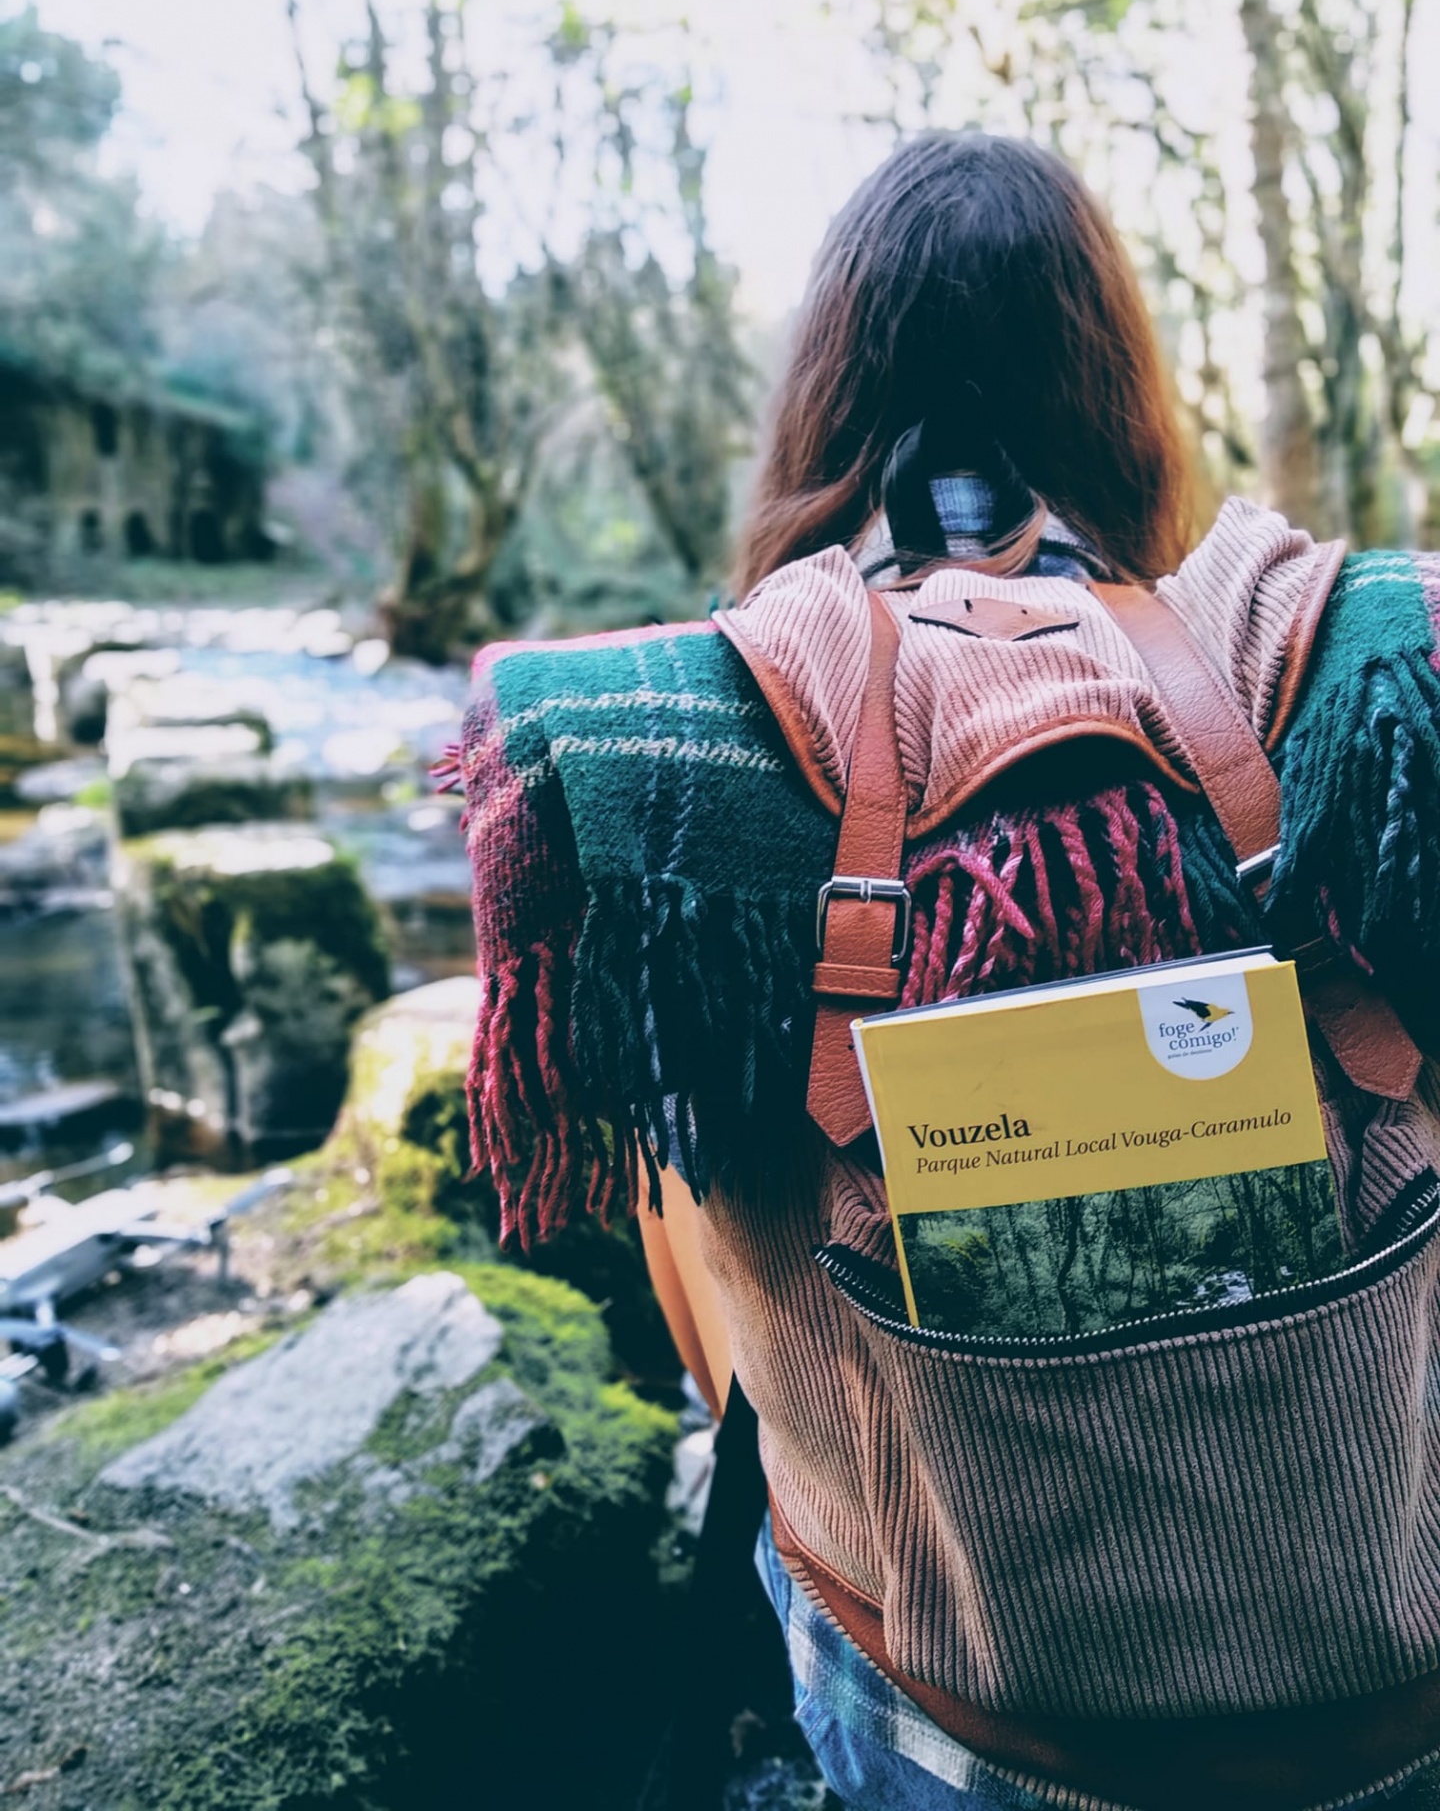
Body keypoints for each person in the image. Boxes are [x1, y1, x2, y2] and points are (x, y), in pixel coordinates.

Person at [455, 132, 1440, 1810]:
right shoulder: (1368, 669)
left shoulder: (681, 748)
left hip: (970, 1735)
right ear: (1120, 390)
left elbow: (691, 1282)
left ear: (819, 403)